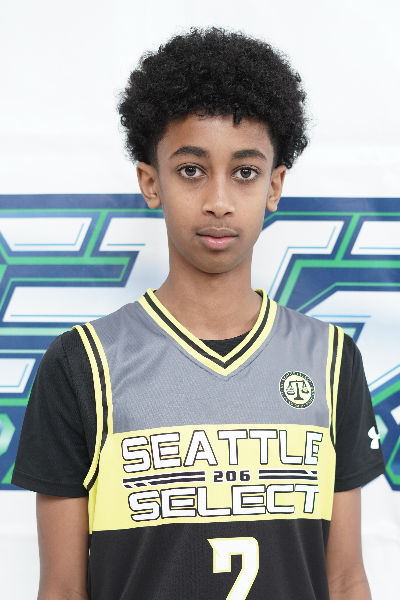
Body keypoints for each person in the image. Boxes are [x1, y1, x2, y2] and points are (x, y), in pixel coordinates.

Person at [13, 27, 385, 600]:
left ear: (275, 186)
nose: (218, 201)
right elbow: (62, 590)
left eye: (244, 172)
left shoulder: (331, 359)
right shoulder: (82, 365)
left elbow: (345, 578)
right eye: (191, 169)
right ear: (151, 182)